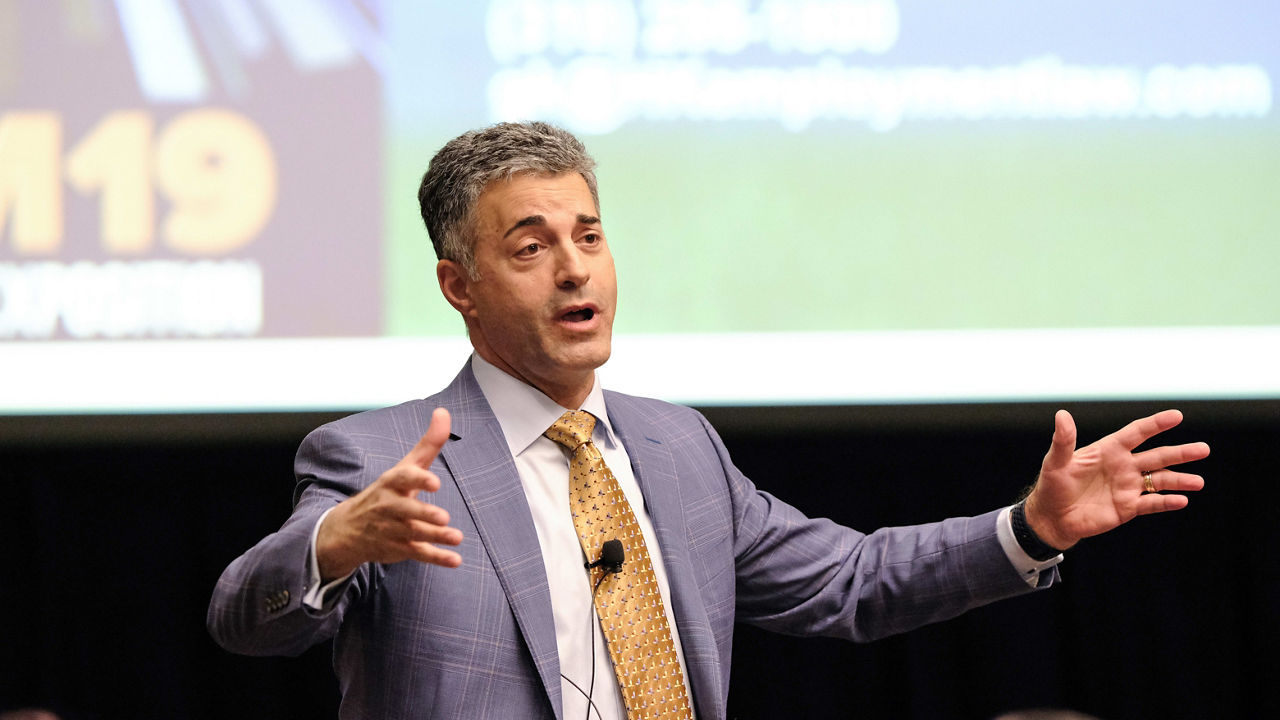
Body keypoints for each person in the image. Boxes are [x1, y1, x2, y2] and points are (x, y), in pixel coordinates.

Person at [207, 122, 1209, 720]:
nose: (574, 268)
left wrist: (1027, 528)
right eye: (530, 246)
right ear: (456, 285)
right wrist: (335, 544)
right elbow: (242, 618)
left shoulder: (675, 447)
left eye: (588, 237)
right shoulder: (380, 457)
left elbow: (853, 584)